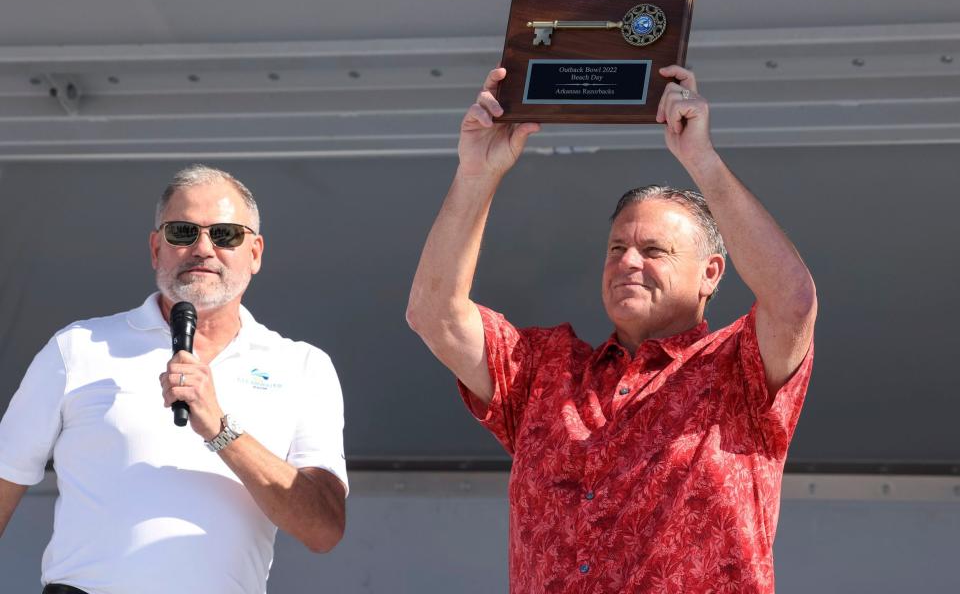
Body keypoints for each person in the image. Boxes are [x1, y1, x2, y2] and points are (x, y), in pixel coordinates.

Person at [406, 66, 817, 593]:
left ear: (710, 274)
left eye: (654, 251)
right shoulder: (544, 370)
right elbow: (433, 313)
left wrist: (702, 160)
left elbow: (794, 301)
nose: (628, 262)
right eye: (617, 249)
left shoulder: (740, 367)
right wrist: (476, 173)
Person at [0, 165, 348, 594]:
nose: (203, 248)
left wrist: (221, 430)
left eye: (226, 235)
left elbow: (323, 530)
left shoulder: (303, 366)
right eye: (182, 232)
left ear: (255, 253)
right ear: (155, 248)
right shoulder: (78, 348)